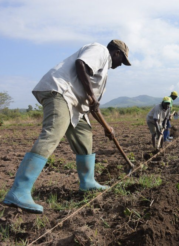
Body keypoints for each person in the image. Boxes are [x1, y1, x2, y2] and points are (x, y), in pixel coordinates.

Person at [2, 39, 131, 214]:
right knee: (53, 134)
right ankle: (19, 191)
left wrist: (106, 127)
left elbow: (93, 106)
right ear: (116, 53)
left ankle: (88, 182)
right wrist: (92, 97)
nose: (120, 65)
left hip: (75, 103)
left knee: (85, 135)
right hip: (61, 91)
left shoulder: (103, 71)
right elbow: (81, 65)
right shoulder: (100, 51)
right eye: (122, 61)